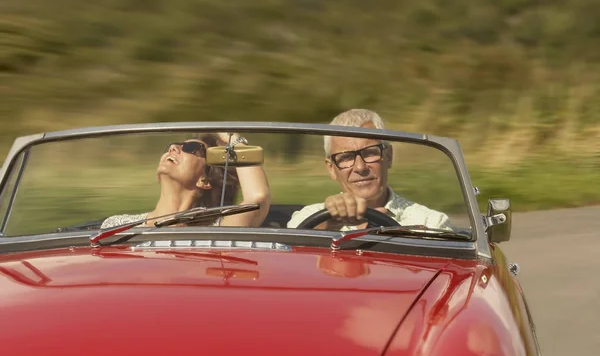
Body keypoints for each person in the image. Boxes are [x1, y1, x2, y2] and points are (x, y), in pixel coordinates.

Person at [286, 109, 450, 230]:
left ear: (389, 156)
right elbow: (291, 259)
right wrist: (330, 223)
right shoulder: (308, 217)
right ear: (331, 169)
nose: (360, 167)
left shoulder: (432, 222)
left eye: (370, 153)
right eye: (346, 158)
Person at [101, 132, 271, 229]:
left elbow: (257, 198)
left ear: (204, 180)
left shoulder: (219, 229)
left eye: (190, 148)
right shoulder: (116, 225)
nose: (173, 148)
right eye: (170, 146)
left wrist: (232, 139)